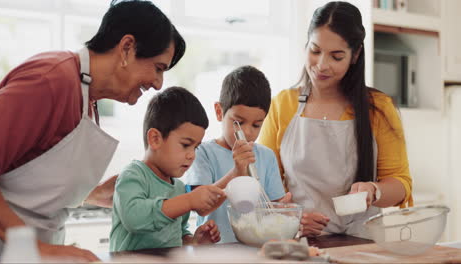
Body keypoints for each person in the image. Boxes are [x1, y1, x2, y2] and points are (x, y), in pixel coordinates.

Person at [0, 1, 185, 261]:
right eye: (158, 68)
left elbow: (27, 183)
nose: (158, 84)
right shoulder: (50, 80)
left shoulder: (88, 101)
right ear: (127, 48)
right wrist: (40, 249)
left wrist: (97, 194)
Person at [258, 1, 413, 239]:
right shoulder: (282, 105)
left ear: (355, 55)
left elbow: (401, 185)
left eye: (336, 56)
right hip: (299, 243)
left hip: (363, 245)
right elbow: (263, 186)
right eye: (315, 51)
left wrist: (375, 190)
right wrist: (292, 218)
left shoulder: (379, 108)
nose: (322, 65)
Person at [110, 87, 225, 252]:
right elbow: (133, 218)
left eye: (196, 147)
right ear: (155, 139)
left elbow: (177, 234)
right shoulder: (133, 175)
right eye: (186, 145)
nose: (192, 155)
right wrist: (189, 201)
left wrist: (194, 241)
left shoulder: (178, 188)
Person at [185, 65, 290, 243]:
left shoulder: (266, 156)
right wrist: (236, 171)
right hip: (216, 251)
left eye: (256, 125)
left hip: (257, 251)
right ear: (219, 112)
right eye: (238, 123)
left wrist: (284, 210)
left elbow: (273, 208)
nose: (248, 132)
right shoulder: (202, 153)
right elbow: (201, 207)